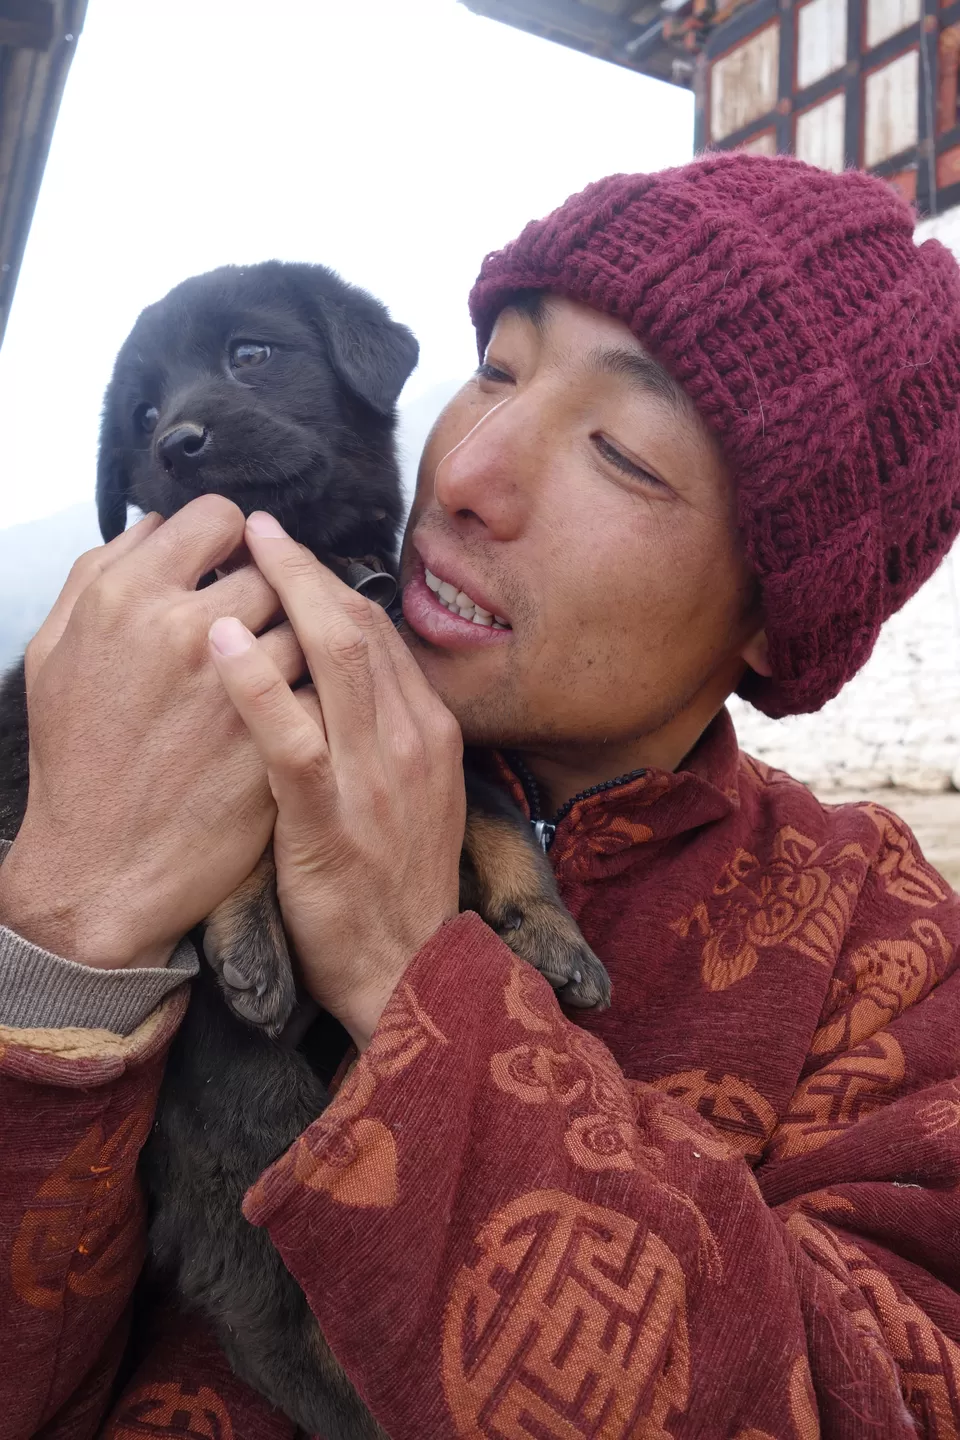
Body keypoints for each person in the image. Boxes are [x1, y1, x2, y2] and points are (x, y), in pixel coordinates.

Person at [1, 150, 960, 1439]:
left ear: (780, 621)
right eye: (498, 367)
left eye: (621, 449)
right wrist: (60, 941)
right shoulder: (121, 751)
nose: (464, 472)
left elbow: (883, 1401)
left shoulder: (883, 945)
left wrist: (409, 974)